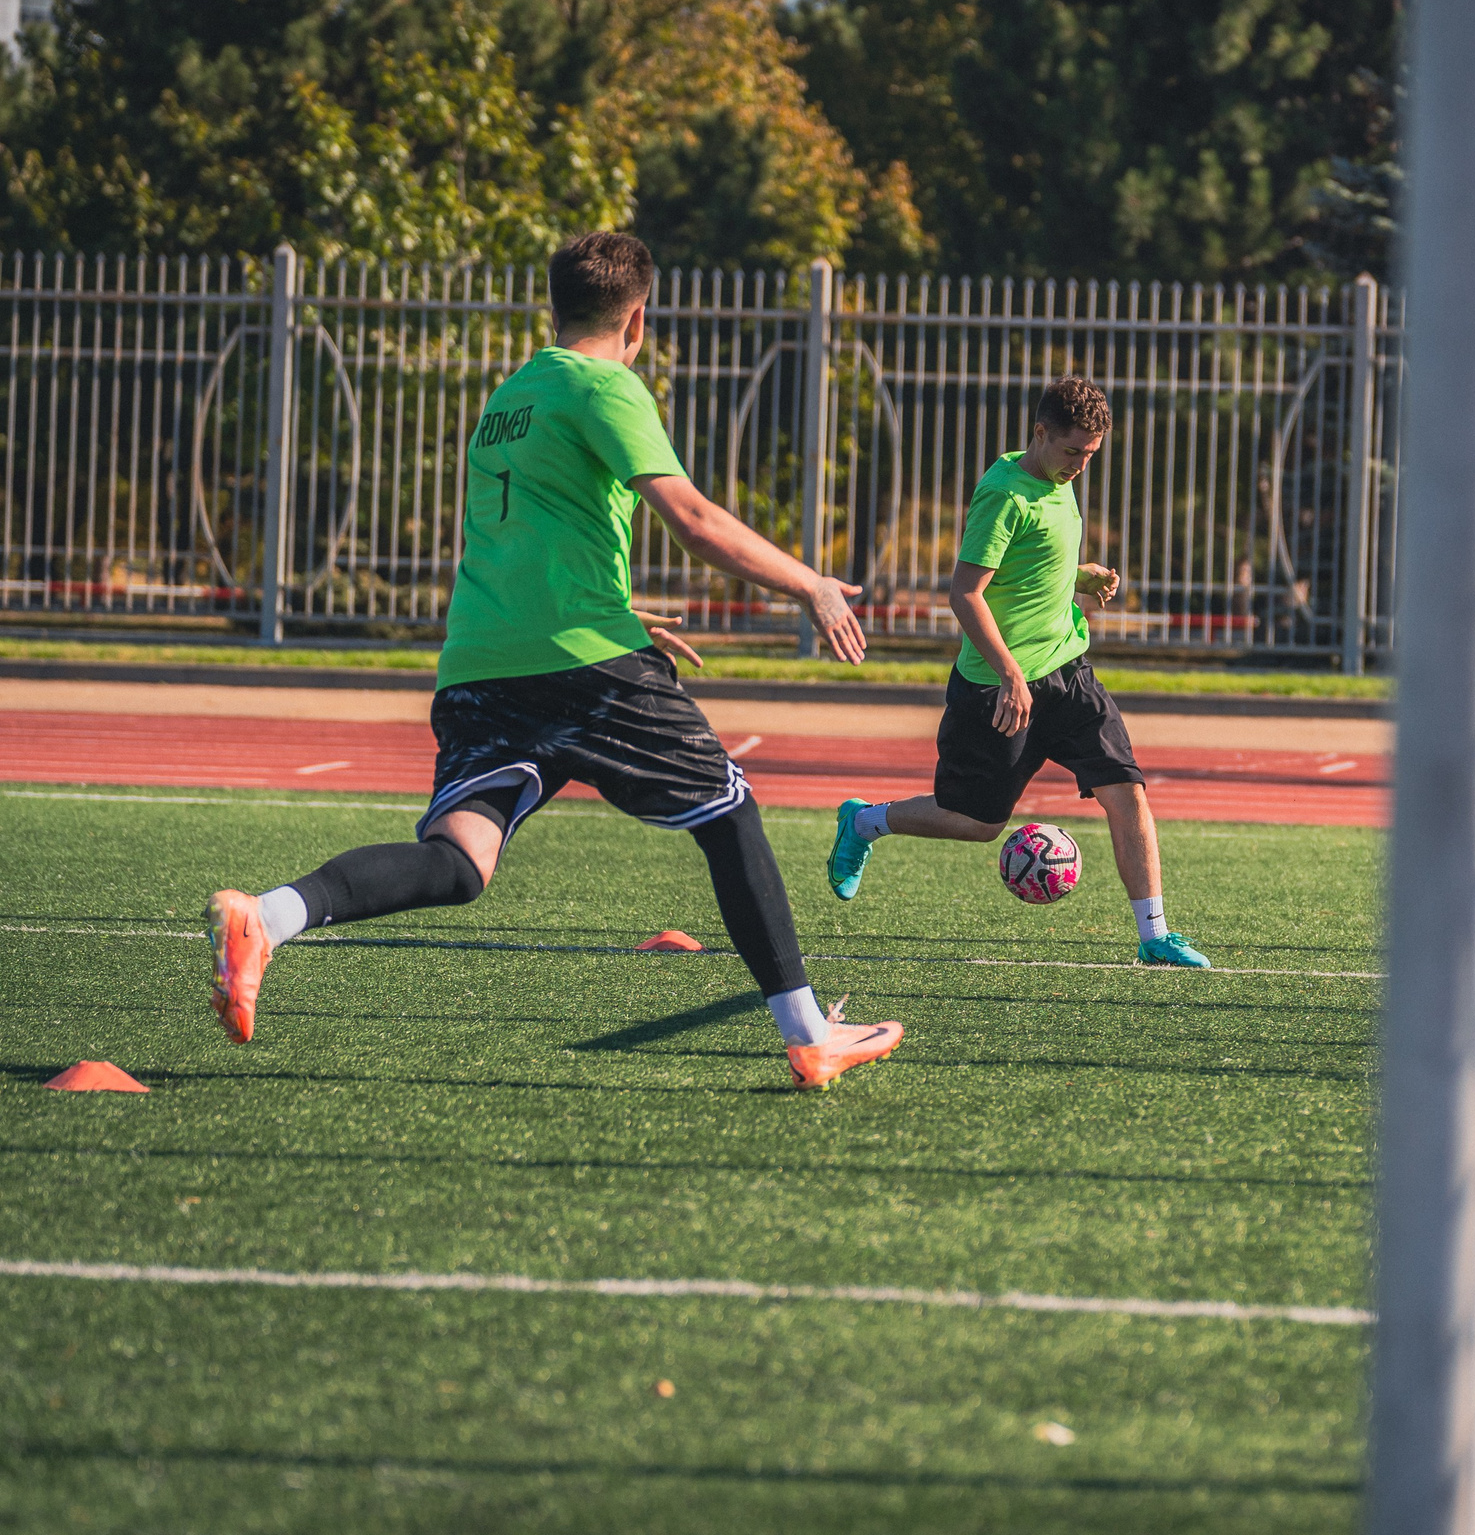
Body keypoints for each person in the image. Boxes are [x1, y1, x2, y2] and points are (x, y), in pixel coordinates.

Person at [204, 233, 903, 1089]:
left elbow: (530, 534)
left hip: (480, 665)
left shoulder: (511, 396)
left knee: (459, 863)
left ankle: (267, 917)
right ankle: (807, 1033)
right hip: (582, 664)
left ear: (555, 305)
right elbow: (694, 519)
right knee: (730, 815)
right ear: (638, 317)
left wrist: (621, 606)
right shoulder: (607, 385)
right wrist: (812, 588)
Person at [825, 376, 1211, 968]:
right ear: (1041, 433)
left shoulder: (1058, 477)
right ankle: (867, 823)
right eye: (1073, 451)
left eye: (1090, 453)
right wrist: (1008, 673)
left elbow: (1030, 559)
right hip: (998, 689)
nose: (1081, 464)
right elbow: (965, 593)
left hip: (1068, 672)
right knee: (979, 822)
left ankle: (1155, 935)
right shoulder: (1004, 493)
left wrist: (1076, 575)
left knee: (1126, 789)